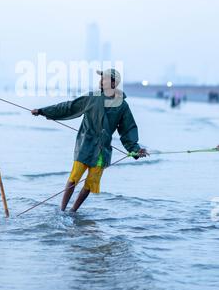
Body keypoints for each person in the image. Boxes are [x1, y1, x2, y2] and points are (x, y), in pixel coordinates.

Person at [31, 69, 148, 212]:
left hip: (102, 151)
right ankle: (62, 210)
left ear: (113, 83)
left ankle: (73, 211)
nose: (100, 81)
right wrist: (43, 111)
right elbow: (69, 107)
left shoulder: (122, 106)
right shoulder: (92, 97)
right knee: (74, 178)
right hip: (85, 145)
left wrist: (135, 149)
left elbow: (127, 130)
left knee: (90, 183)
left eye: (104, 78)